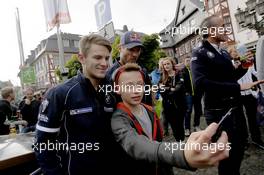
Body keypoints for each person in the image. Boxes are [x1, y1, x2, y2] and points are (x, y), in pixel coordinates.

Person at [111, 63, 230, 175]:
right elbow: (135, 144)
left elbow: (158, 141)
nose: (136, 90)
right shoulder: (118, 119)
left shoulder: (149, 110)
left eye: (140, 84)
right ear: (117, 89)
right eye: (129, 86)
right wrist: (182, 153)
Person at [34, 34, 123, 175]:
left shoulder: (113, 88)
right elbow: (43, 144)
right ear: (81, 58)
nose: (105, 63)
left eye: (107, 58)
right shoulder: (60, 93)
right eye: (98, 57)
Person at [191, 15, 264, 175]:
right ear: (211, 31)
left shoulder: (223, 53)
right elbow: (200, 83)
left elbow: (230, 78)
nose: (226, 30)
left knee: (238, 150)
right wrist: (238, 88)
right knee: (225, 156)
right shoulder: (199, 52)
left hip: (235, 108)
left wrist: (244, 66)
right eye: (222, 26)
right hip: (219, 111)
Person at [106, 31, 152, 105]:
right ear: (120, 48)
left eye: (138, 50)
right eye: (131, 49)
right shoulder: (109, 75)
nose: (135, 54)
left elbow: (148, 97)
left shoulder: (143, 71)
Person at [159, 57, 186, 142]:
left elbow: (178, 89)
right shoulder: (162, 76)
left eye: (168, 64)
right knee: (174, 126)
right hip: (168, 106)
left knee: (180, 125)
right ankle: (179, 142)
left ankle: (182, 141)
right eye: (164, 64)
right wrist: (170, 89)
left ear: (172, 64)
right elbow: (160, 90)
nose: (166, 66)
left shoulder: (179, 74)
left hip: (179, 104)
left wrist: (166, 89)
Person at [182, 56, 202, 136]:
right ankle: (187, 128)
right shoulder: (182, 72)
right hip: (188, 95)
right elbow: (181, 84)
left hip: (197, 94)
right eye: (187, 61)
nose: (188, 62)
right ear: (184, 62)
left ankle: (196, 125)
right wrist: (185, 92)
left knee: (198, 110)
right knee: (188, 111)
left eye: (189, 60)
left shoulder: (195, 70)